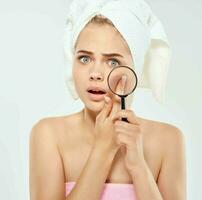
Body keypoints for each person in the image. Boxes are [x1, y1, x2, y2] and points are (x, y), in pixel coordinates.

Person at [29, 0, 186, 199]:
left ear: (135, 68)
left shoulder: (168, 140)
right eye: (85, 58)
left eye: (112, 61)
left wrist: (138, 165)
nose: (95, 73)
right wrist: (103, 150)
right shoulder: (48, 135)